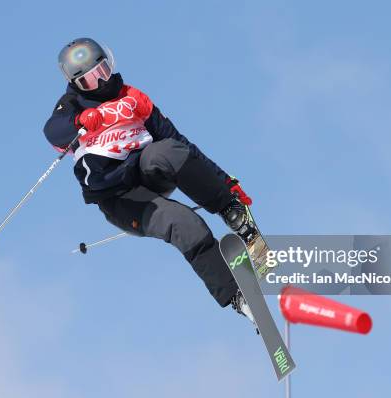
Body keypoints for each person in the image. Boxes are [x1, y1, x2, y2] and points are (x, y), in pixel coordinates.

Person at [43, 38, 255, 322]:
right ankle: (237, 297)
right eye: (90, 80)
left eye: (103, 70)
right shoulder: (72, 104)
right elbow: (53, 131)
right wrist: (80, 121)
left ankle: (231, 211)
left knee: (166, 150)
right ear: (77, 84)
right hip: (120, 199)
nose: (101, 81)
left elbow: (179, 142)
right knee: (184, 223)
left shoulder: (133, 97)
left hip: (148, 172)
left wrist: (223, 183)